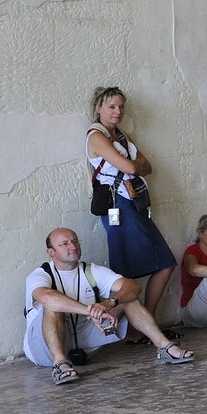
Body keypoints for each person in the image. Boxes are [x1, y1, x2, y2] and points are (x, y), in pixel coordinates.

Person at [25, 227, 194, 383]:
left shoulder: (91, 270)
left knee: (128, 298)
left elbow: (133, 287)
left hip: (84, 338)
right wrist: (91, 311)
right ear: (51, 252)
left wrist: (109, 302)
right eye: (64, 244)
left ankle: (164, 347)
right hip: (44, 346)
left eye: (75, 241)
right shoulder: (41, 274)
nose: (73, 246)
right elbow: (47, 297)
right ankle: (60, 364)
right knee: (53, 306)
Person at [85, 86, 178, 320]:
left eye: (121, 107)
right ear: (98, 109)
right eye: (112, 107)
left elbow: (149, 166)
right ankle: (130, 327)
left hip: (135, 206)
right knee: (124, 273)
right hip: (119, 207)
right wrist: (134, 166)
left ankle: (146, 321)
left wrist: (134, 166)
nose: (118, 111)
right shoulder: (96, 136)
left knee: (165, 262)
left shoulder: (121, 135)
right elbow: (132, 167)